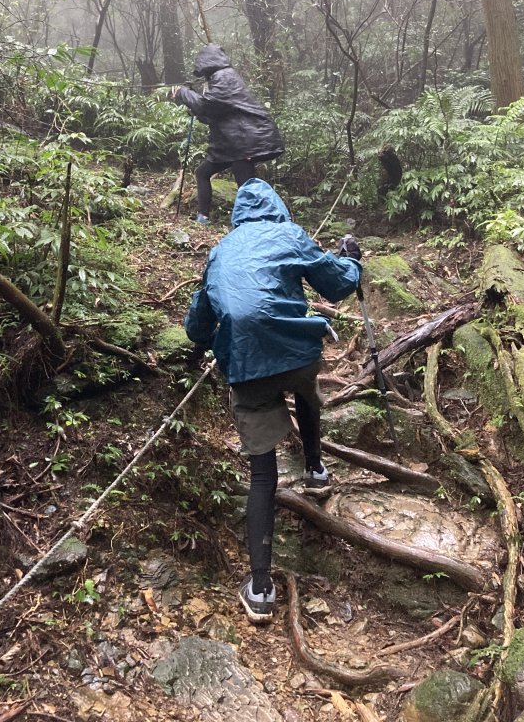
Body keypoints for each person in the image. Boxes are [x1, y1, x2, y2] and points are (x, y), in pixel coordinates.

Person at [184, 178, 362, 624]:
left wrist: (209, 342)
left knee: (262, 476)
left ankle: (260, 589)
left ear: (238, 214)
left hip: (246, 364)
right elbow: (337, 283)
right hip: (297, 351)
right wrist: (354, 261)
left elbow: (198, 322)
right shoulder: (290, 234)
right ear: (278, 206)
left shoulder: (221, 250)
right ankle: (316, 471)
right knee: (305, 388)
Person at [171, 44, 283, 223]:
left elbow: (208, 105)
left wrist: (184, 93)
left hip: (245, 142)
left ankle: (256, 223)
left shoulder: (225, 77)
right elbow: (215, 113)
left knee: (245, 185)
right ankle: (203, 217)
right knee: (203, 173)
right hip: (232, 143)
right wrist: (192, 105)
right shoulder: (220, 78)